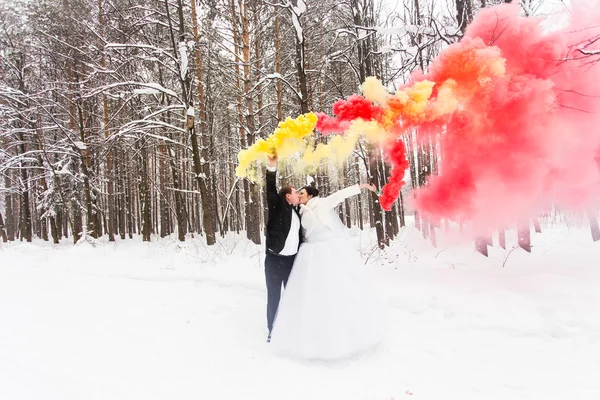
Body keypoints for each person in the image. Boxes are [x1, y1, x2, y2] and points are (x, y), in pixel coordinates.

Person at [269, 180, 385, 360]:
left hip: (327, 249)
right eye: (297, 194)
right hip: (309, 252)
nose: (299, 196)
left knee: (336, 287)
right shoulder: (298, 210)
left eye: (302, 194)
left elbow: (341, 194)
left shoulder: (323, 203)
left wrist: (362, 187)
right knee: (311, 292)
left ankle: (347, 329)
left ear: (310, 195)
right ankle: (308, 332)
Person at [264, 155, 301, 343]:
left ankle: (291, 328)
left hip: (291, 262)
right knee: (274, 296)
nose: (298, 195)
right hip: (275, 260)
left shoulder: (296, 211)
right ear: (287, 196)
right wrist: (271, 168)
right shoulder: (278, 205)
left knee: (293, 296)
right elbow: (270, 190)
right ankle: (273, 330)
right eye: (296, 192)